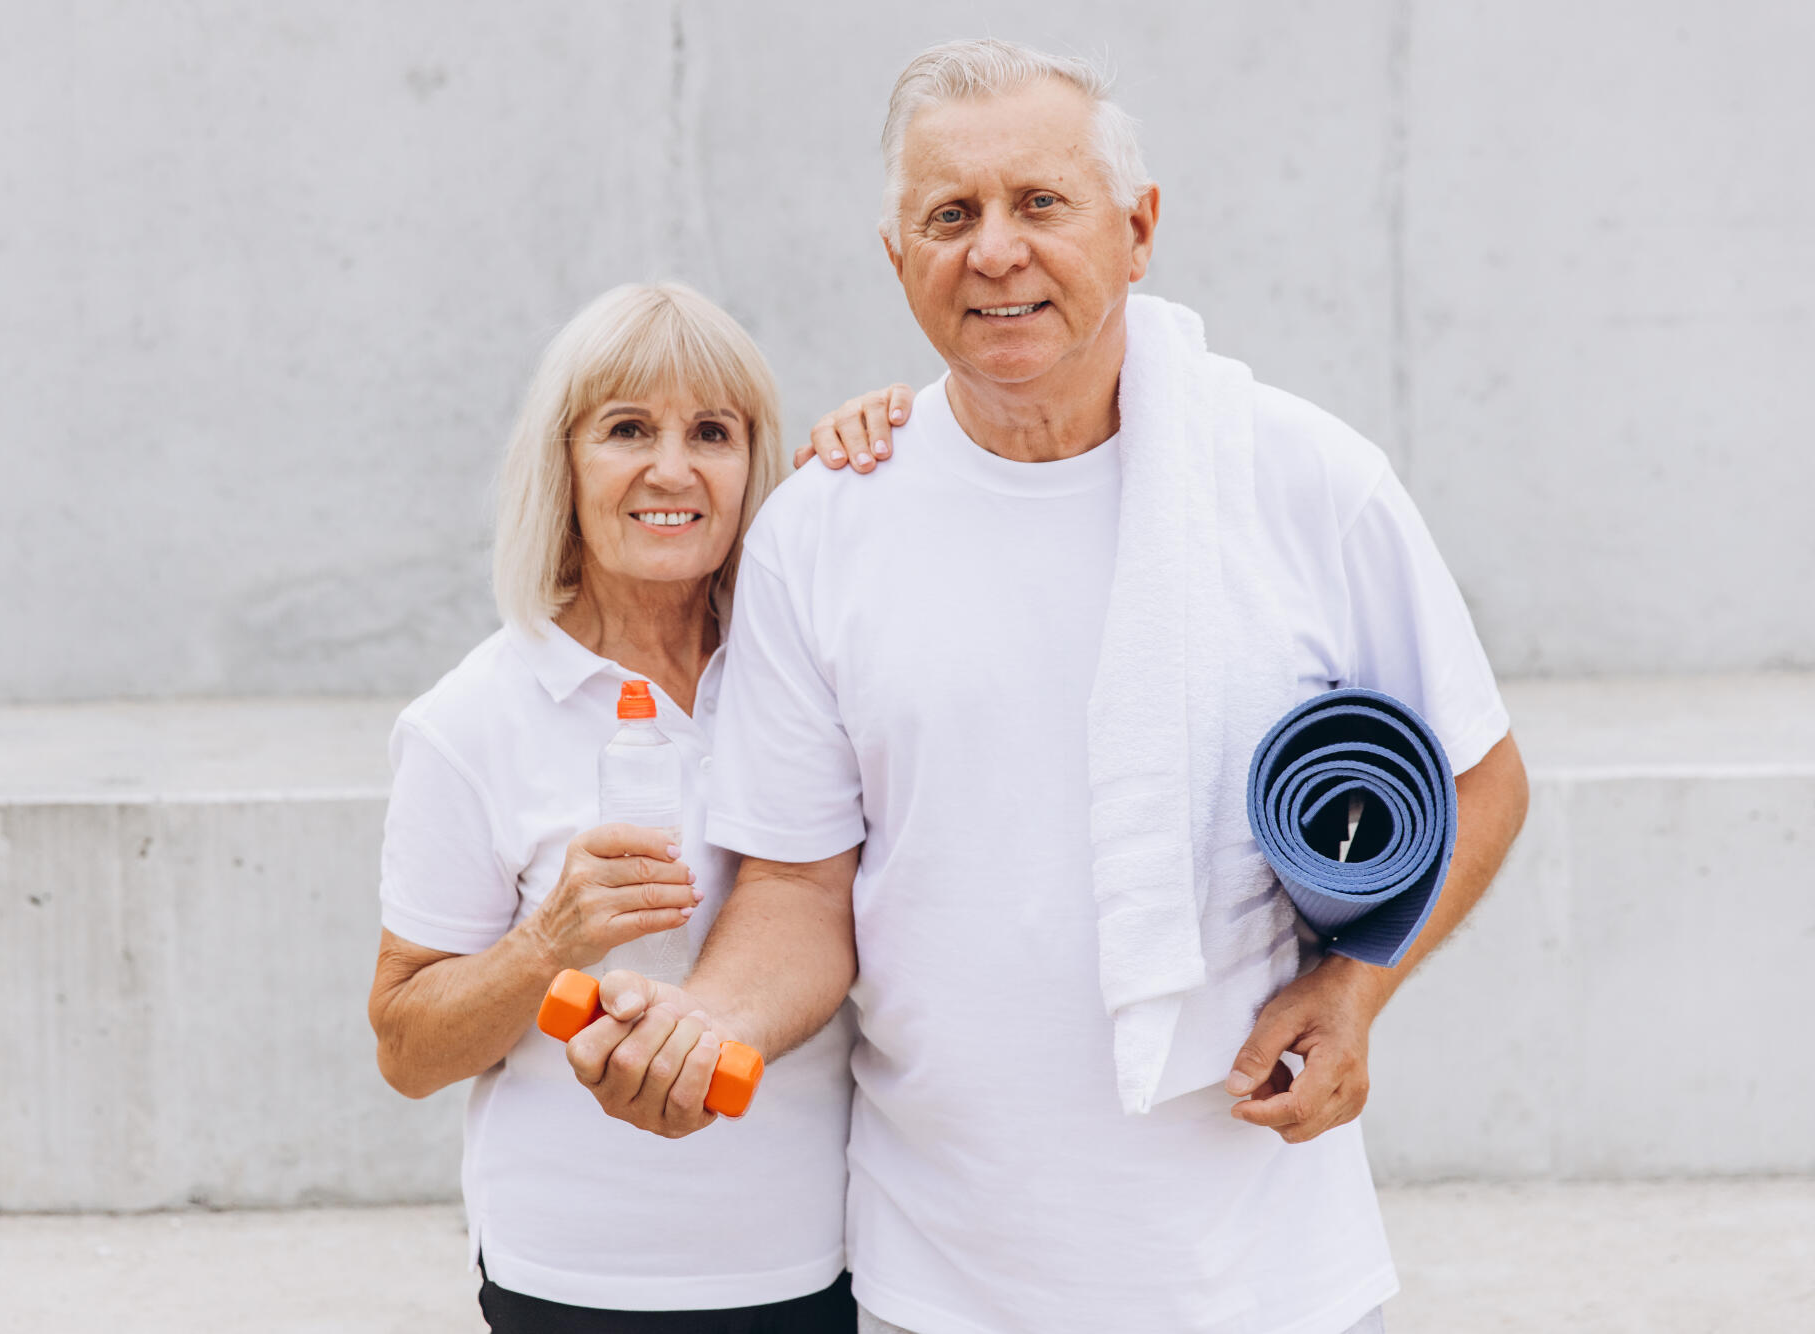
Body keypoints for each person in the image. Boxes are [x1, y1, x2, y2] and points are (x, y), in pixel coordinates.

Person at [563, 39, 1531, 1334]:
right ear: (897, 258)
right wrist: (699, 1023)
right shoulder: (826, 527)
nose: (995, 250)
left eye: (1040, 203)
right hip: (944, 1266)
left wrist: (1354, 988)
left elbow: (1483, 777)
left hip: (1254, 1265)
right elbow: (800, 888)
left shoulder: (1306, 480)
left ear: (1138, 228)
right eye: (950, 215)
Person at [369, 281, 886, 1332]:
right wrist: (546, 941)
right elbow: (407, 1049)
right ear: (561, 460)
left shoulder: (811, 670)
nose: (672, 468)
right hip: (575, 1277)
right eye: (625, 429)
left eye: (712, 432)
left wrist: (905, 440)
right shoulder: (470, 718)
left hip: (818, 1261)